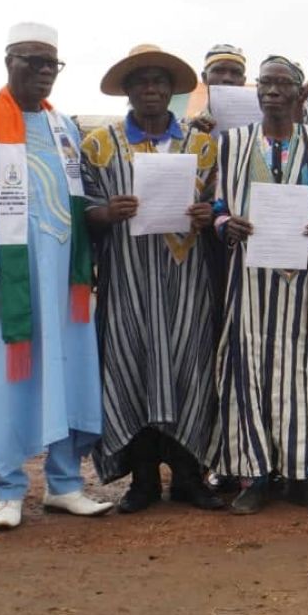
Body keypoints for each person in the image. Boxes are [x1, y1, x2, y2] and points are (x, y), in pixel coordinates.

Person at [81, 44, 223, 513]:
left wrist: (209, 213)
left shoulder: (202, 146)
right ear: (127, 90)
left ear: (171, 90)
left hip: (185, 284)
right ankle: (142, 481)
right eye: (140, 81)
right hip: (128, 283)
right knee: (130, 370)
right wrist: (105, 213)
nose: (151, 89)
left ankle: (189, 476)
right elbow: (80, 212)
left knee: (191, 370)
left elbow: (221, 206)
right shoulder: (99, 145)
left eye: (159, 81)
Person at [0, 22, 113, 530]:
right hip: (13, 280)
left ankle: (64, 485)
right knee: (9, 380)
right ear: (7, 61)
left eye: (50, 64)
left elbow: (75, 203)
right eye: (31, 61)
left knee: (67, 374)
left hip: (66, 281)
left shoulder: (65, 128)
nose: (42, 72)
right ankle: (10, 490)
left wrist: (104, 215)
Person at [209, 55, 308, 515]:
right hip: (248, 281)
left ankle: (303, 474)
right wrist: (228, 223)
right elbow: (217, 205)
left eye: (282, 83)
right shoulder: (232, 145)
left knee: (302, 370)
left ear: (300, 94)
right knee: (248, 370)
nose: (271, 91)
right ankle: (255, 475)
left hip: (302, 282)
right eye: (264, 83)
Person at [188, 44, 248, 134]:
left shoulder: (259, 128)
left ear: (243, 81)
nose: (227, 78)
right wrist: (189, 135)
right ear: (204, 78)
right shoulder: (185, 128)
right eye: (218, 71)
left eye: (236, 72)